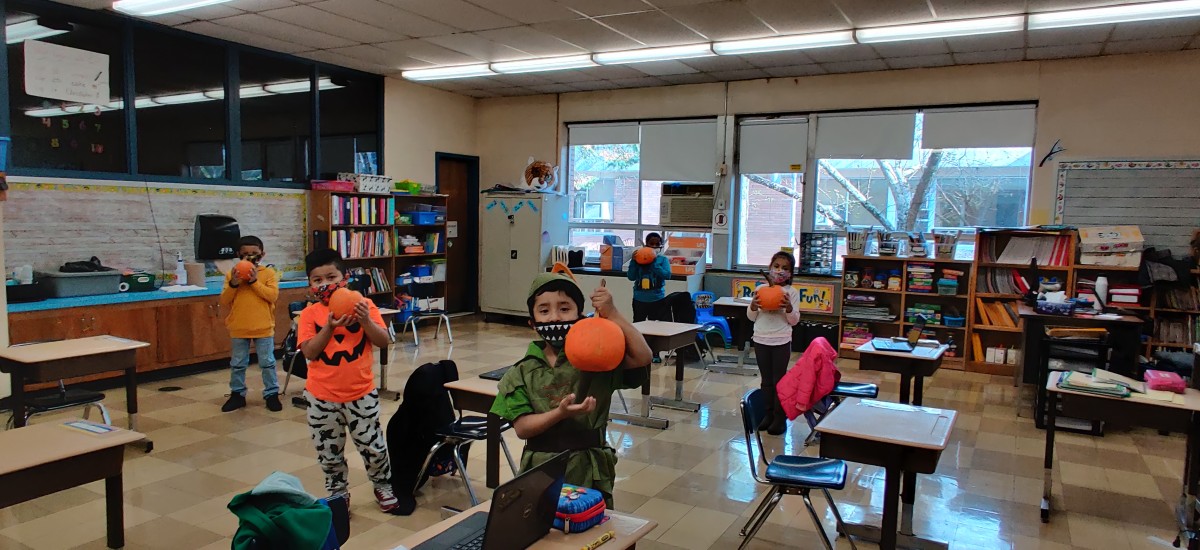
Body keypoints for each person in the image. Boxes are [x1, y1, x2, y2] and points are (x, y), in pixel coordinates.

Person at [490, 271, 653, 508]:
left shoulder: (595, 361)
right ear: (532, 323)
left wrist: (612, 313)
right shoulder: (521, 372)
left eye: (565, 309)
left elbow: (643, 356)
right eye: (544, 311)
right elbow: (523, 428)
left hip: (589, 468)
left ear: (580, 316)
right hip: (541, 467)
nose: (555, 318)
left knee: (589, 530)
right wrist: (560, 413)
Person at [297, 249, 399, 513]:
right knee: (328, 451)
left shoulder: (364, 306)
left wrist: (364, 320)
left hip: (361, 393)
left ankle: (383, 484)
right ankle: (337, 493)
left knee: (373, 446)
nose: (325, 284)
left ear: (345, 277)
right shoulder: (309, 315)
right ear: (310, 284)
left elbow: (382, 341)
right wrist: (329, 327)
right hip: (321, 397)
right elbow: (310, 351)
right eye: (317, 280)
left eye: (331, 277)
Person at [219, 236, 281, 412]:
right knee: (238, 363)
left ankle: (271, 394)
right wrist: (234, 284)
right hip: (239, 327)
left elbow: (272, 296)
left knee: (267, 362)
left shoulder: (268, 273)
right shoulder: (232, 274)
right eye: (245, 254)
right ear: (238, 255)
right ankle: (237, 394)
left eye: (254, 254)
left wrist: (254, 282)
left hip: (263, 327)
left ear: (262, 254)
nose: (250, 258)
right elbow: (224, 300)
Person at [747, 251, 801, 435]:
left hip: (781, 341)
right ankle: (767, 414)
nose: (780, 271)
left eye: (785, 268)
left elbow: (794, 321)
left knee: (780, 381)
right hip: (761, 338)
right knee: (766, 381)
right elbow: (751, 317)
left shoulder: (791, 293)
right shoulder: (760, 290)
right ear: (770, 268)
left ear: (791, 274)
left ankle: (780, 417)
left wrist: (788, 308)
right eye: (776, 266)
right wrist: (753, 306)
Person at [627, 232, 672, 322]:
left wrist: (654, 264)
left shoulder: (663, 259)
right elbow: (631, 277)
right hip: (639, 299)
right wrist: (633, 261)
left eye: (657, 244)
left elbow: (667, 275)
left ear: (661, 245)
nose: (654, 246)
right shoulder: (638, 259)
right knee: (638, 324)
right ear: (646, 244)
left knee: (656, 327)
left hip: (657, 299)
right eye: (651, 244)